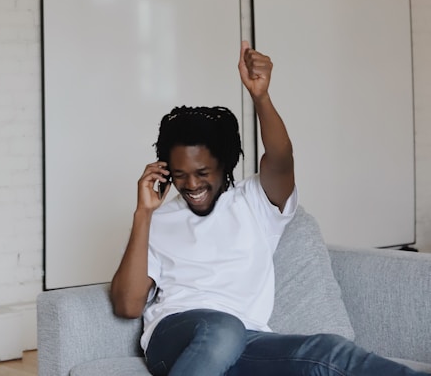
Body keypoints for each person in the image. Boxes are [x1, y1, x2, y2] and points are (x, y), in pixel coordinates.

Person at [110, 41, 426, 376]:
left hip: (247, 340)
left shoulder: (254, 201)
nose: (191, 185)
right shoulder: (158, 220)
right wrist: (142, 214)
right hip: (175, 338)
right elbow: (128, 305)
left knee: (329, 352)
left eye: (203, 173)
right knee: (222, 328)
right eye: (179, 175)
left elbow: (280, 158)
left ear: (225, 164)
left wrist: (261, 97)